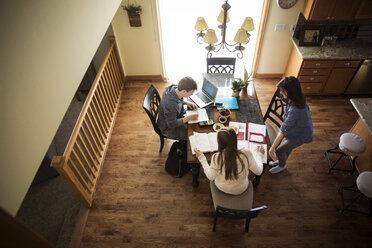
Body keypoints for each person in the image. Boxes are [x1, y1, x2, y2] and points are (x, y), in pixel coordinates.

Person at [194, 127, 264, 195]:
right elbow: (259, 171)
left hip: (222, 188)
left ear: (219, 143)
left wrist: (201, 157)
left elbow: (210, 177)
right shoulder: (246, 153)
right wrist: (259, 154)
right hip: (242, 189)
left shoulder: (217, 157)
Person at [268, 76, 313, 174]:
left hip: (301, 134)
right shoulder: (297, 97)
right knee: (287, 148)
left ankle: (282, 165)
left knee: (279, 150)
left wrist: (272, 149)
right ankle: (281, 161)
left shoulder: (296, 110)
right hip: (296, 128)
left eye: (283, 92)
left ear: (291, 92)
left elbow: (283, 129)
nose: (281, 93)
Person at [157, 76, 199, 140]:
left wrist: (186, 103)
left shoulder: (174, 88)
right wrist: (189, 117)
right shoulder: (170, 105)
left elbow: (177, 100)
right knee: (193, 135)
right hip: (168, 128)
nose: (192, 94)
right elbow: (172, 124)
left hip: (172, 117)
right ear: (184, 91)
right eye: (191, 93)